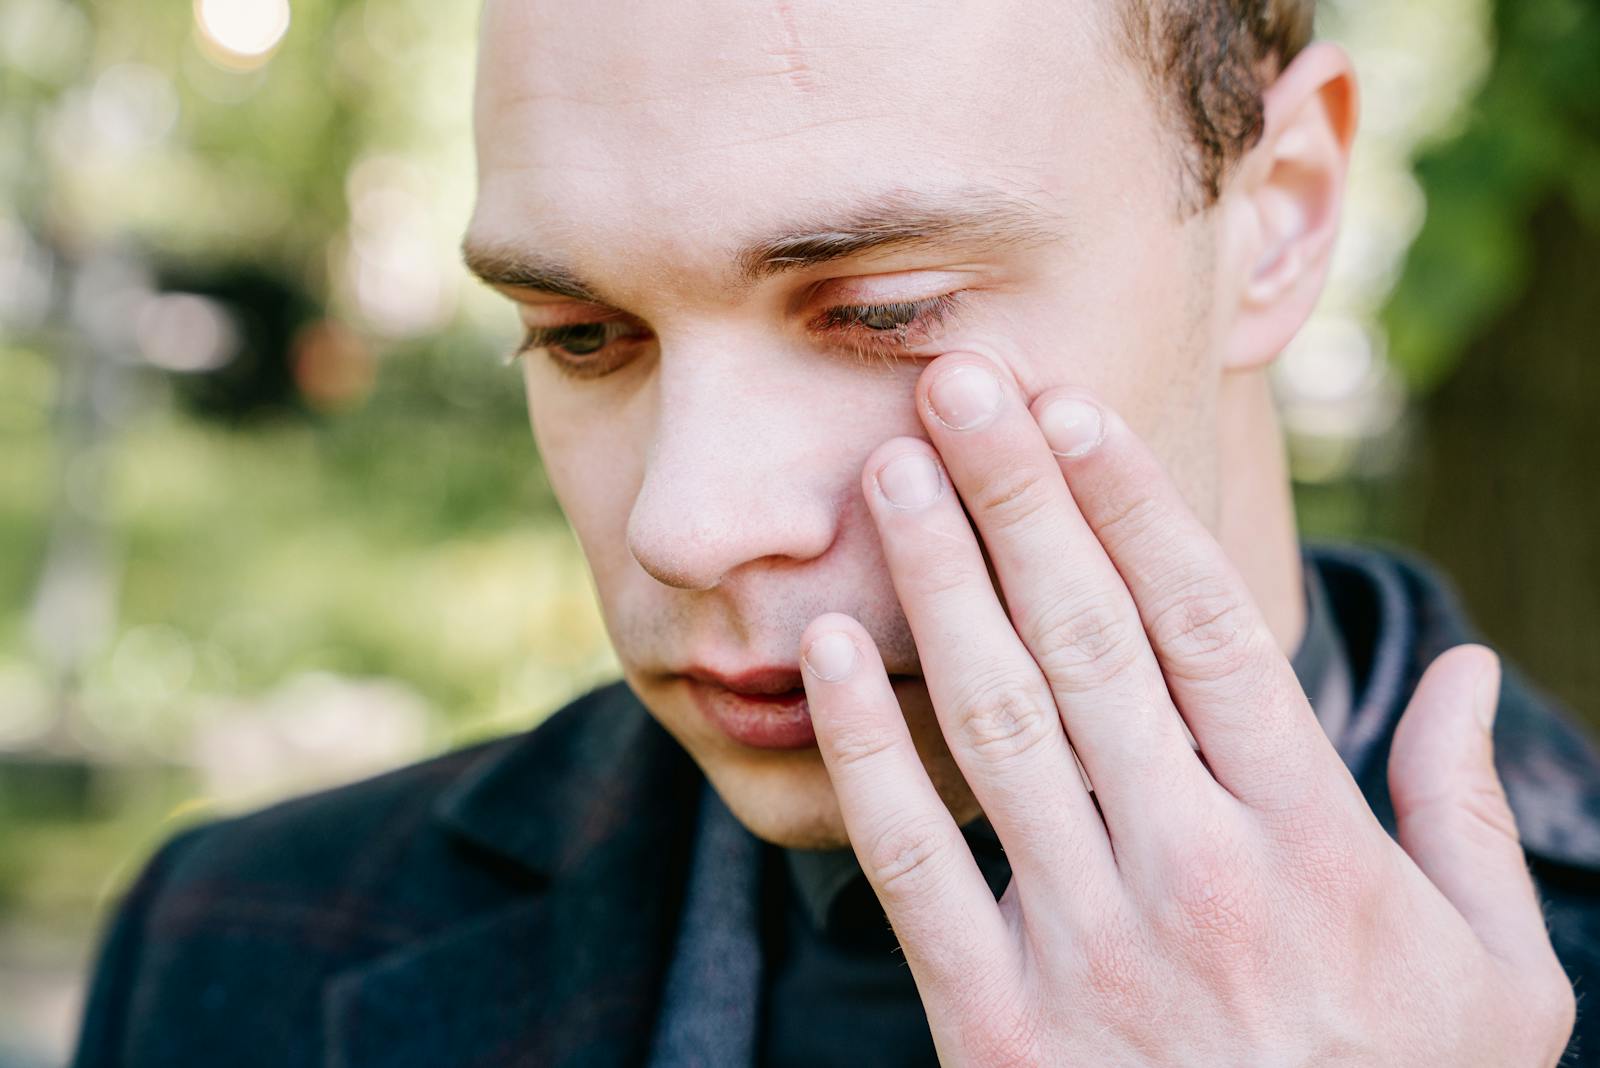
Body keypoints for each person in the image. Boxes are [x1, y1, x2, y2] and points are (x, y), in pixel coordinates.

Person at [72, 0, 1600, 1064]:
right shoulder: (240, 944)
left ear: (1280, 214)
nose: (687, 525)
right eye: (582, 333)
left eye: (880, 314)